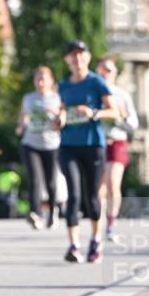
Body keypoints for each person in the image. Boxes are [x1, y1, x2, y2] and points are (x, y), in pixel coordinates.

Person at [58, 41, 116, 264]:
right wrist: (59, 118)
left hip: (92, 145)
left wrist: (93, 113)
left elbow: (114, 111)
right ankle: (74, 245)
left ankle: (96, 239)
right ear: (67, 60)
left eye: (81, 54)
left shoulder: (96, 82)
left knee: (91, 196)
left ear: (88, 58)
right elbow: (60, 110)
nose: (77, 59)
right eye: (73, 55)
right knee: (73, 194)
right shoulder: (63, 86)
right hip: (68, 146)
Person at [96, 56, 138, 241]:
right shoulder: (93, 93)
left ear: (115, 73)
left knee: (113, 183)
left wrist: (121, 117)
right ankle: (98, 223)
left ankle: (111, 225)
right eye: (102, 69)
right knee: (99, 187)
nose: (105, 73)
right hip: (96, 143)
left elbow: (133, 124)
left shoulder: (122, 95)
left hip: (117, 141)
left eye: (109, 70)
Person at [16, 66, 61, 230]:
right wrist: (21, 125)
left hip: (51, 144)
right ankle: (35, 213)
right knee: (35, 179)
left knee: (51, 181)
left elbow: (63, 120)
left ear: (51, 81)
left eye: (44, 79)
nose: (40, 82)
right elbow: (22, 116)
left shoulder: (56, 98)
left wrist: (55, 113)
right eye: (38, 79)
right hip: (31, 143)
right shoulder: (28, 98)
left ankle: (53, 212)